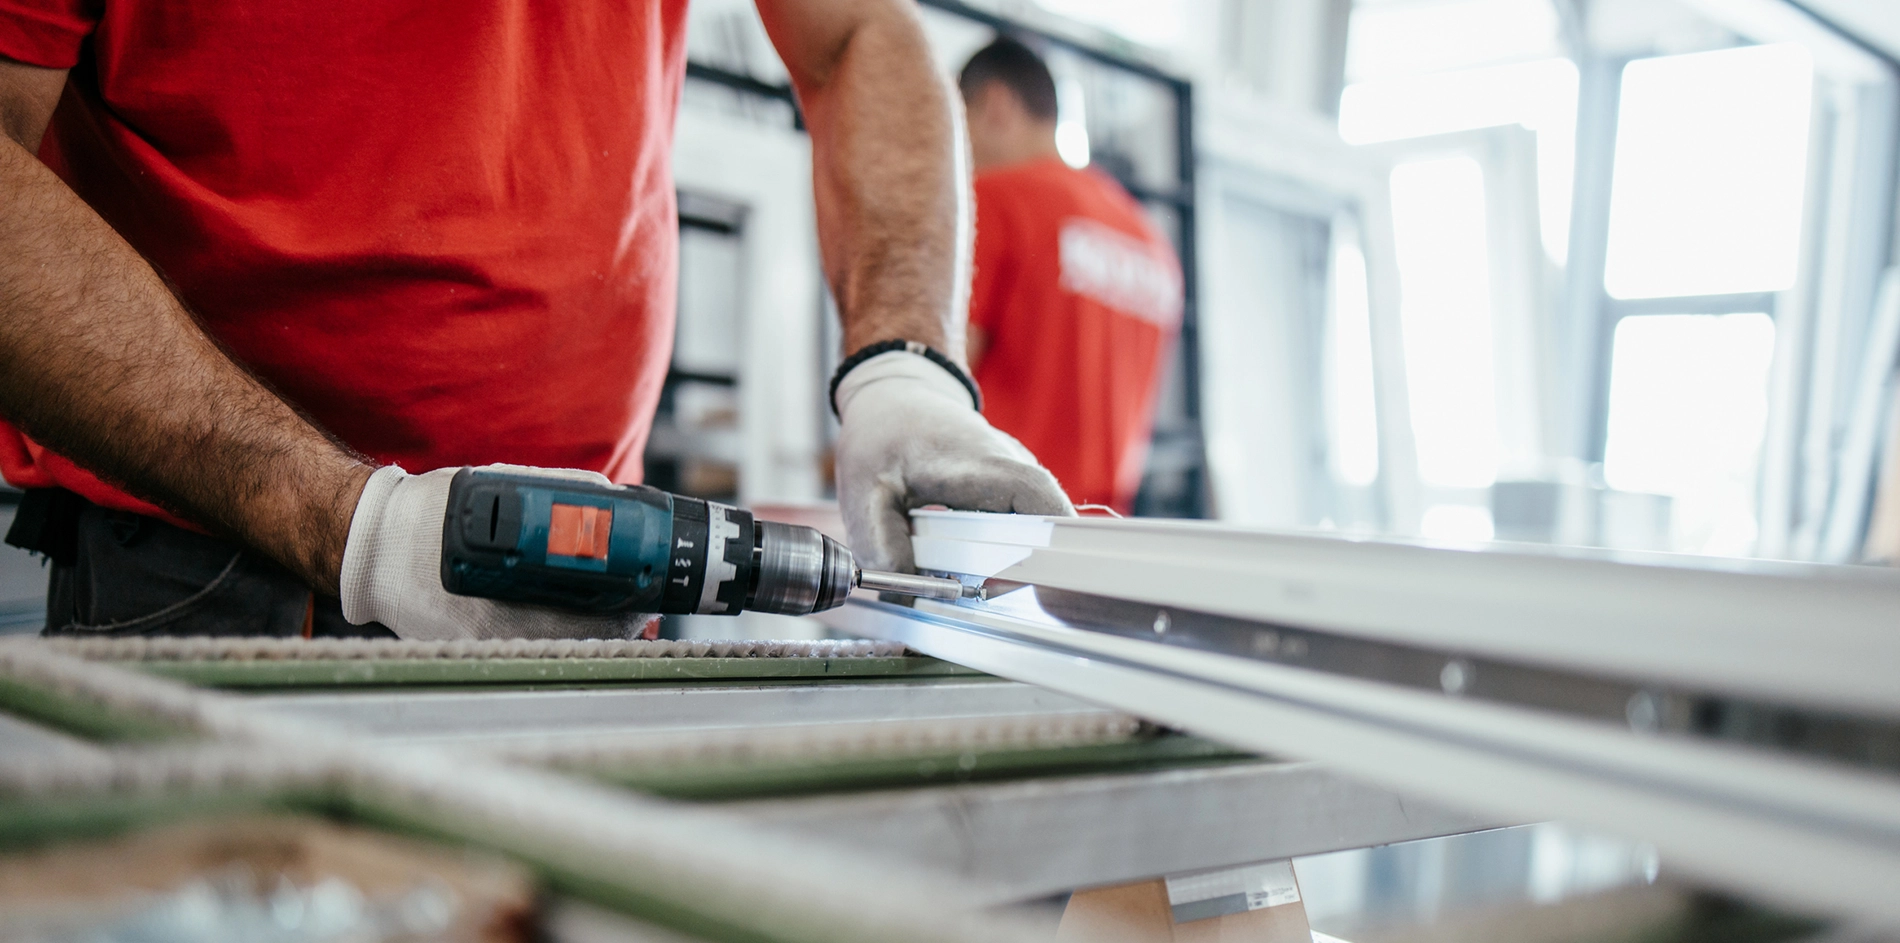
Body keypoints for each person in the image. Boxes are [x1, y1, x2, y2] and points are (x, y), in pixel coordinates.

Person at [0, 3, 1070, 639]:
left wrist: (904, 371)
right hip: (217, 570)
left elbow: (858, 33)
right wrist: (355, 527)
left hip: (590, 567)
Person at [959, 37, 1183, 515]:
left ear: (996, 106)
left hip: (994, 526)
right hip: (1096, 533)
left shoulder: (998, 196)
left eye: (961, 126)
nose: (962, 153)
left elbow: (948, 371)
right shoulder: (1150, 241)